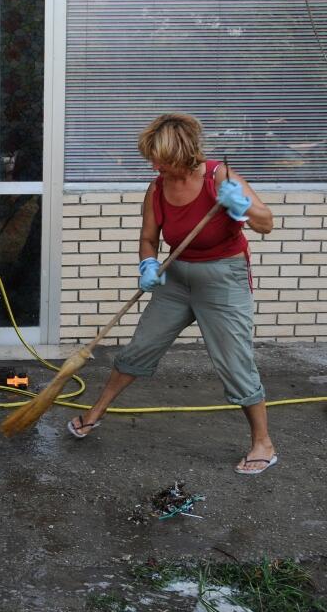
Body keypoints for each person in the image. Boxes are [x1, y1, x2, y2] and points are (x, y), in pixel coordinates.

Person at [66, 113, 277, 476]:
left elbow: (266, 223)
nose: (154, 166)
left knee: (235, 362)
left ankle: (263, 443)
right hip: (176, 279)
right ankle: (95, 412)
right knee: (140, 346)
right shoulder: (157, 188)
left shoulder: (219, 177)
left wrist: (240, 206)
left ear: (181, 153)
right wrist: (148, 264)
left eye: (160, 159)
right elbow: (149, 238)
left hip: (224, 280)